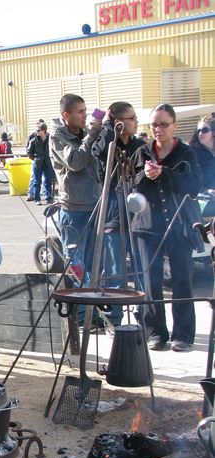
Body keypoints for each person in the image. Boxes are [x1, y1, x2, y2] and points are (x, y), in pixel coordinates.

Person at [132, 103, 203, 352]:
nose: (158, 129)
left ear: (174, 125)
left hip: (178, 225)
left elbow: (194, 186)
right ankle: (155, 332)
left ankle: (183, 334)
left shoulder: (186, 152)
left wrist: (164, 173)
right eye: (154, 125)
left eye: (163, 124)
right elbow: (131, 185)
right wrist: (146, 175)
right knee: (150, 282)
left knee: (182, 279)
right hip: (147, 224)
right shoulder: (142, 151)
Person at [92, 101, 146, 330]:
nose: (136, 121)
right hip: (114, 214)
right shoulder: (106, 144)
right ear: (120, 123)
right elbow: (101, 152)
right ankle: (114, 319)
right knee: (115, 270)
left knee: (141, 266)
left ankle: (146, 314)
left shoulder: (139, 146)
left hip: (137, 214)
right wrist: (108, 128)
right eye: (131, 118)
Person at [50, 93, 102, 324]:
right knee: (76, 265)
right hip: (72, 210)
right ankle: (81, 316)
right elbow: (76, 161)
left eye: (86, 110)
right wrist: (91, 136)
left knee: (94, 264)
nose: (85, 115)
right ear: (66, 115)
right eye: (80, 112)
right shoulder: (57, 138)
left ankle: (95, 313)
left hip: (93, 206)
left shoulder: (84, 134)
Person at [189, 115, 215, 216]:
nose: (200, 133)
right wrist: (206, 191)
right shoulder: (192, 152)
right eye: (198, 131)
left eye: (204, 130)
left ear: (213, 132)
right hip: (202, 201)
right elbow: (190, 178)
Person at [27, 122, 54, 206]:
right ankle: (37, 199)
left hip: (47, 162)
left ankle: (49, 198)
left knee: (48, 181)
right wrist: (35, 158)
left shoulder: (50, 139)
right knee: (37, 182)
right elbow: (29, 152)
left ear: (44, 130)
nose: (36, 132)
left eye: (38, 130)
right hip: (37, 163)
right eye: (36, 130)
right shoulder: (33, 140)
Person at [26, 119, 45, 201]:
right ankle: (31, 194)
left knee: (45, 178)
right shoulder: (32, 136)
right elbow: (28, 149)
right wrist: (34, 158)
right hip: (36, 160)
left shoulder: (47, 136)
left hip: (45, 160)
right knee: (34, 177)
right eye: (38, 125)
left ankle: (45, 193)